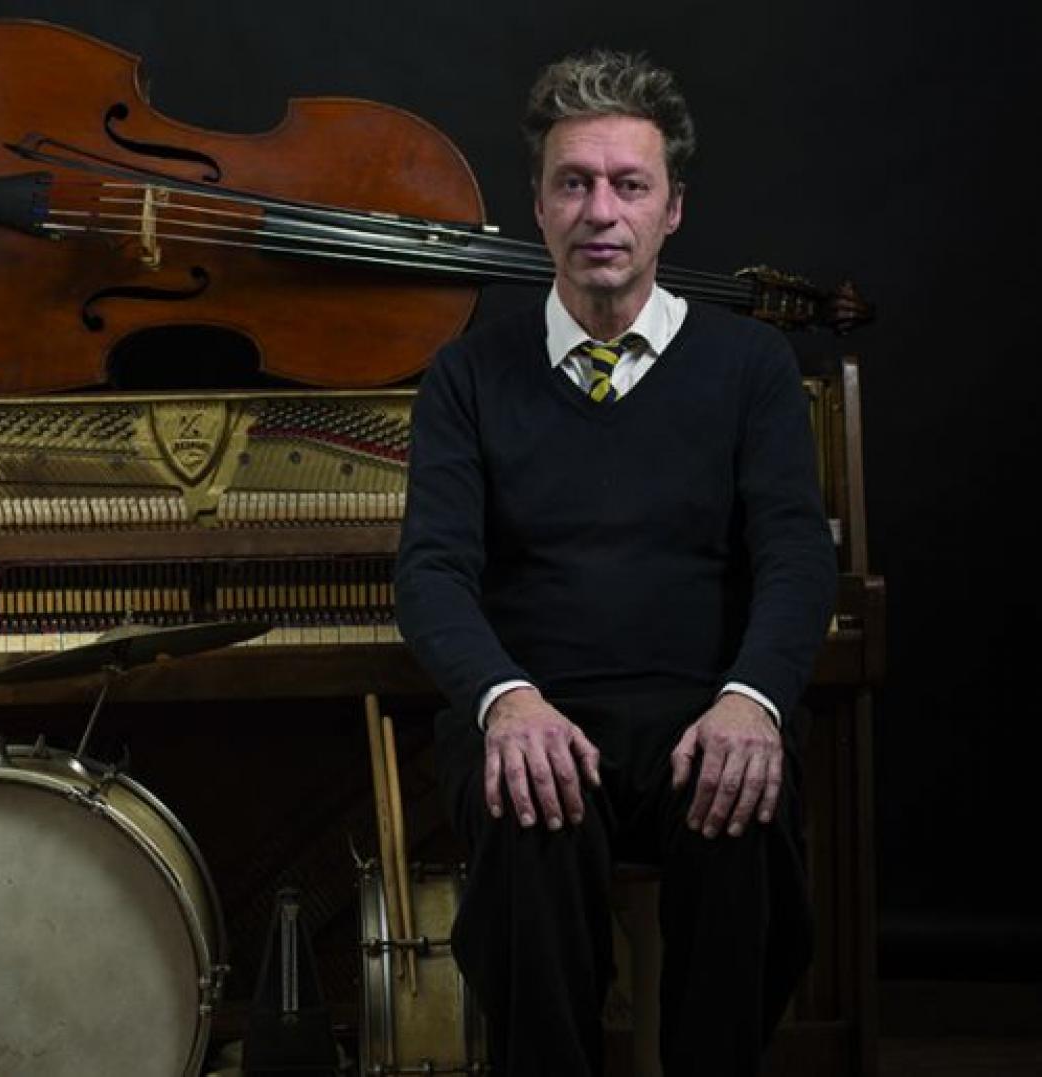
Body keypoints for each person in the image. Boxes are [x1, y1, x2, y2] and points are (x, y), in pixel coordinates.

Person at [394, 49, 837, 1077]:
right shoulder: (465, 376)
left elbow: (791, 559)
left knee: (738, 806)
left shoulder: (750, 368)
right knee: (529, 806)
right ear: (539, 208)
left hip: (703, 708)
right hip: (534, 712)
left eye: (626, 185)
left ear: (669, 209)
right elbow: (430, 572)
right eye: (573, 184)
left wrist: (752, 702)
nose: (600, 210)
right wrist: (504, 701)